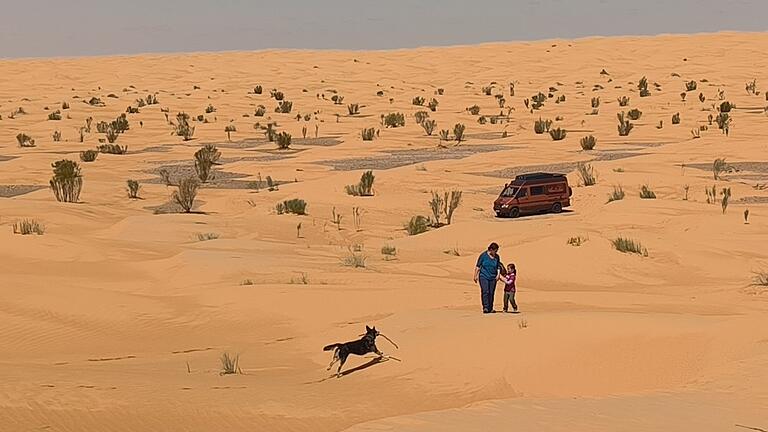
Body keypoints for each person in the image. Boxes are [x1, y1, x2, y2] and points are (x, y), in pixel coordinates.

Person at [474, 242, 504, 314]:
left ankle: (490, 308)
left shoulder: (497, 257)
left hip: (493, 277)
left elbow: (498, 267)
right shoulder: (483, 256)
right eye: (495, 251)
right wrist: (475, 275)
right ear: (491, 249)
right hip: (483, 276)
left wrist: (498, 275)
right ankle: (486, 307)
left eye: (497, 251)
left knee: (491, 292)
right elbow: (478, 266)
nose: (496, 252)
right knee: (485, 291)